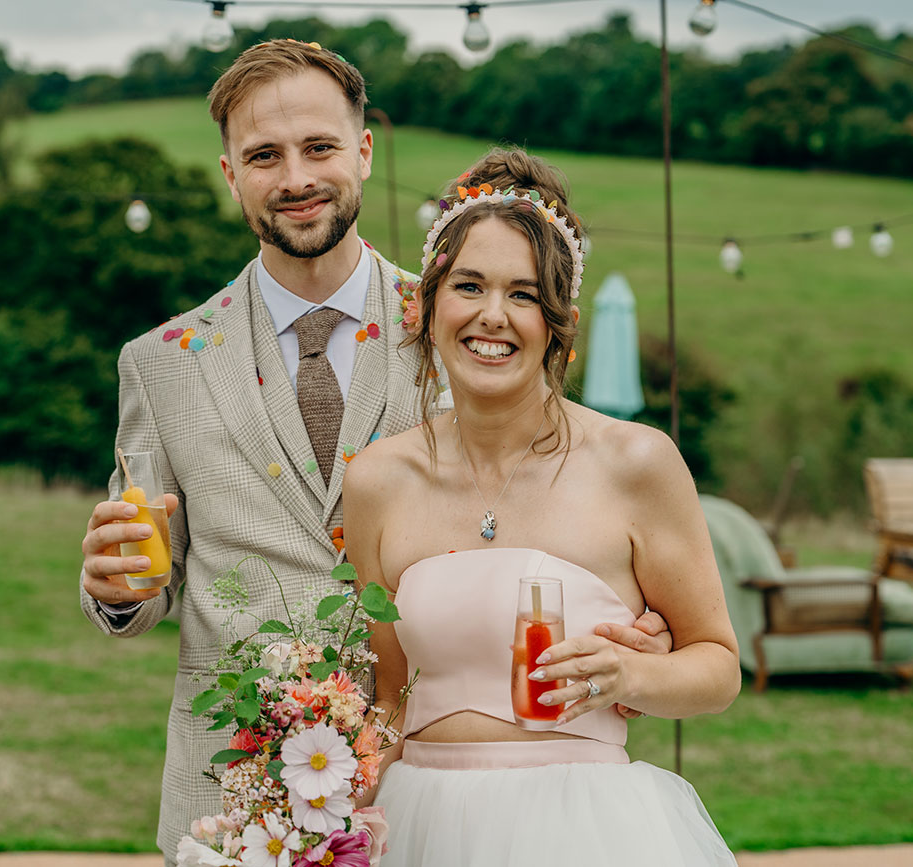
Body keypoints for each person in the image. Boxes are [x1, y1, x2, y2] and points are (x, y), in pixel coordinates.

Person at [77, 41, 672, 858]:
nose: (295, 178)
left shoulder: (464, 326)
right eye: (263, 156)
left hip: (427, 791)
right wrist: (115, 589)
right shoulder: (159, 364)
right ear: (229, 173)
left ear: (362, 152)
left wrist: (637, 636)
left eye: (318, 147)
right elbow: (148, 577)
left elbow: (559, 506)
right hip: (231, 799)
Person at [344, 150, 742, 865]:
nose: (492, 315)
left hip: (584, 828)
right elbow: (390, 692)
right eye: (468, 285)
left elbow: (717, 665)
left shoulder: (637, 463)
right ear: (428, 305)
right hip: (420, 826)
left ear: (562, 323)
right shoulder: (377, 479)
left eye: (524, 294)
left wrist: (634, 676)